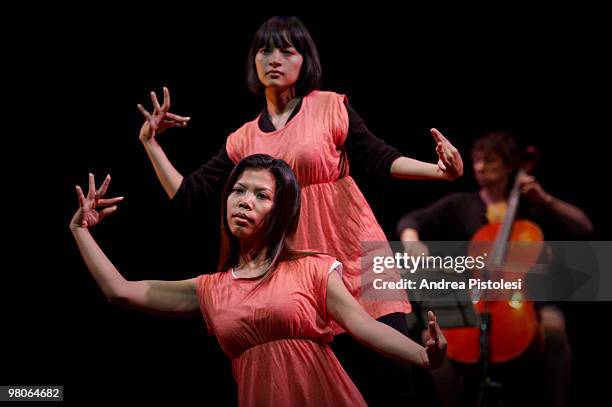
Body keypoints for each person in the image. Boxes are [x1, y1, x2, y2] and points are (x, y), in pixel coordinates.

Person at [135, 15, 463, 405]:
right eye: (265, 50)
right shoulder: (243, 138)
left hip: (361, 257)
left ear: (305, 60)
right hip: (302, 275)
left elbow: (379, 158)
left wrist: (440, 172)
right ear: (254, 61)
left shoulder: (329, 106)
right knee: (334, 388)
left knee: (393, 386)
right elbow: (190, 194)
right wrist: (151, 144)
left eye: (286, 50)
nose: (274, 58)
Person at [70, 154, 447, 406]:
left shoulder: (313, 268)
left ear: (281, 211)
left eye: (261, 194)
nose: (244, 200)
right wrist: (81, 231)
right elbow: (119, 291)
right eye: (237, 190)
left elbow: (364, 326)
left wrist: (421, 355)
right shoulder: (212, 289)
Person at [397, 130, 593, 407]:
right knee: (430, 339)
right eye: (477, 161)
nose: (479, 167)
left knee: (555, 328)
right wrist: (412, 242)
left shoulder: (528, 205)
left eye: (489, 161)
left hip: (524, 299)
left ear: (509, 165)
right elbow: (411, 220)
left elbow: (583, 227)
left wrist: (546, 199)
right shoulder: (461, 204)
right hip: (477, 298)